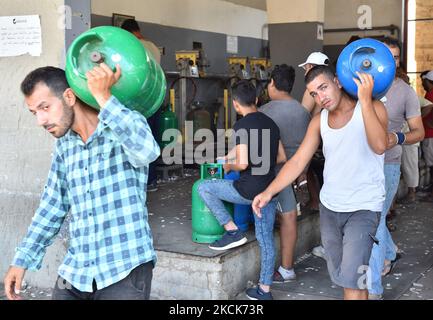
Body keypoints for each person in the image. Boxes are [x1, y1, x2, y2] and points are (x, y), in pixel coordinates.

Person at [3, 64, 160, 300]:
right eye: (35, 112)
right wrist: (22, 259)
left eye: (45, 107)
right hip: (76, 269)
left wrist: (104, 96)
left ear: (69, 96)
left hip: (124, 267)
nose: (40, 120)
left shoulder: (123, 124)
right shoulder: (65, 145)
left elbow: (148, 151)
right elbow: (52, 206)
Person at [253, 65, 389, 300]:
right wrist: (268, 192)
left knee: (354, 282)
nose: (320, 97)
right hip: (330, 209)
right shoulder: (319, 121)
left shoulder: (373, 107)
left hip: (364, 208)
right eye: (314, 93)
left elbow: (379, 145)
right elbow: (296, 163)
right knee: (346, 279)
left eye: (323, 87)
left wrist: (365, 100)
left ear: (337, 81)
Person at [197, 80, 286, 300]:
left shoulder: (241, 127)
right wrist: (229, 156)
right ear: (256, 100)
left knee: (204, 187)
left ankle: (232, 230)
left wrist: (227, 165)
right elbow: (282, 158)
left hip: (248, 191)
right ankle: (264, 291)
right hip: (270, 191)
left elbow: (243, 163)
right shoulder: (271, 124)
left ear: (236, 104)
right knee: (265, 240)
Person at [367, 37, 425, 300]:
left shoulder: (406, 92)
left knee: (376, 220)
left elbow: (419, 132)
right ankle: (389, 253)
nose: (391, 61)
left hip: (388, 163)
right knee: (370, 220)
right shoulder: (362, 86)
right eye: (386, 55)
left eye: (396, 57)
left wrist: (397, 137)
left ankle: (374, 286)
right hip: (362, 165)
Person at [259, 64, 311, 283]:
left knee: (286, 215)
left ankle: (283, 270)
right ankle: (286, 266)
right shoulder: (302, 111)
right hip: (296, 172)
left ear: (272, 83)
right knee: (288, 215)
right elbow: (307, 148)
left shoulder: (263, 112)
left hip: (272, 174)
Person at [121, 18, 162, 191]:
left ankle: (139, 181)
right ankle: (151, 179)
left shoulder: (132, 46)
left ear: (128, 33)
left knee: (135, 138)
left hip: (137, 99)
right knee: (151, 137)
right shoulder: (153, 46)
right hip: (155, 96)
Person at [298, 52, 330, 259]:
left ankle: (315, 200)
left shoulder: (312, 89)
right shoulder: (332, 86)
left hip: (316, 138)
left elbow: (302, 114)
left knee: (309, 170)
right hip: (326, 138)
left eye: (306, 67)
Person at [420, 70, 433, 200]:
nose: (422, 84)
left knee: (432, 164)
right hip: (429, 134)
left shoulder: (430, 94)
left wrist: (427, 122)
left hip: (430, 134)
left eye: (423, 82)